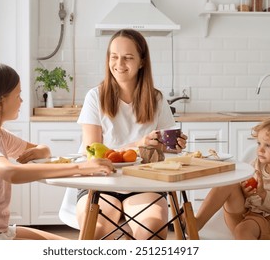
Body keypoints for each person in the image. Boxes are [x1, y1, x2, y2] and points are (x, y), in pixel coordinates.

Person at [0, 62, 114, 240]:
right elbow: (10, 172)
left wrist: (43, 151)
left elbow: (40, 149)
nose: (22, 101)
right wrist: (81, 168)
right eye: (18, 95)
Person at [75, 29, 187, 240]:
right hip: (100, 182)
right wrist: (139, 144)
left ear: (142, 62)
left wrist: (173, 145)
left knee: (151, 231)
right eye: (114, 57)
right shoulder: (95, 97)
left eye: (128, 57)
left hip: (144, 182)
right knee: (97, 230)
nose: (119, 63)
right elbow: (93, 154)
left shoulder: (156, 99)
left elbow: (163, 145)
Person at [195, 117, 270, 240]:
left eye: (268, 145)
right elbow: (244, 193)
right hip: (246, 215)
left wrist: (264, 194)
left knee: (243, 230)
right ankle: (197, 223)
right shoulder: (255, 165)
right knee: (229, 183)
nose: (260, 149)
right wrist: (244, 192)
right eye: (259, 143)